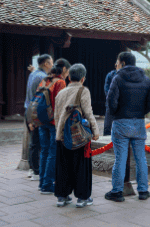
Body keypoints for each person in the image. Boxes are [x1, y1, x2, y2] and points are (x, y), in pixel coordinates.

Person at [105, 51, 150, 203]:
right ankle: (143, 191)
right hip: (139, 122)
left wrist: (117, 113)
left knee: (120, 158)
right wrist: (140, 112)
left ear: (123, 63)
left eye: (118, 62)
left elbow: (111, 101)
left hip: (121, 122)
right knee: (141, 158)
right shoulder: (146, 79)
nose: (116, 65)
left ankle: (117, 192)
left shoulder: (117, 78)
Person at [53, 63, 101, 208]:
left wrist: (59, 132)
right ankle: (82, 198)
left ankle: (62, 197)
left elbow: (56, 115)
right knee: (81, 166)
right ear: (83, 78)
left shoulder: (61, 93)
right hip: (79, 136)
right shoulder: (83, 91)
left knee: (63, 166)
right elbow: (88, 112)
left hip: (62, 135)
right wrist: (95, 131)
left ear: (69, 77)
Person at [38, 59, 69, 194]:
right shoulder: (60, 82)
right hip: (53, 122)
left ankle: (42, 182)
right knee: (53, 153)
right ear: (64, 70)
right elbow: (61, 104)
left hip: (41, 120)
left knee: (44, 151)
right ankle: (47, 184)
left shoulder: (44, 80)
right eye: (68, 71)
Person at [25, 54, 52, 181]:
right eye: (51, 63)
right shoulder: (42, 77)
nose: (52, 65)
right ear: (46, 64)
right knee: (38, 143)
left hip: (29, 110)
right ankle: (36, 171)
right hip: (36, 112)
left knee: (33, 142)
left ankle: (32, 169)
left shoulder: (33, 74)